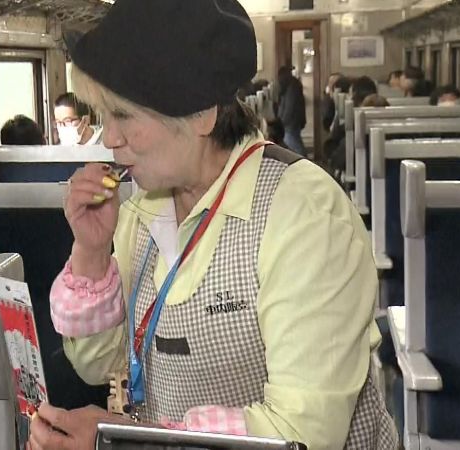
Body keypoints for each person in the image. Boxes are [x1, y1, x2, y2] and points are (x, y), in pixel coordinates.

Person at [29, 1, 397, 449]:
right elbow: (96, 365)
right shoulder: (142, 212)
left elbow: (301, 435)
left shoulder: (303, 213)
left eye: (123, 115)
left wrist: (121, 442)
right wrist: (91, 251)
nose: (109, 138)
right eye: (105, 116)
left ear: (201, 114)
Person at [276, 65, 308, 156]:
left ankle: (304, 162)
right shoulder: (292, 84)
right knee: (295, 143)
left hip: (290, 122)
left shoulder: (291, 87)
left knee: (295, 145)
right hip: (293, 121)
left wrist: (282, 122)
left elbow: (289, 108)